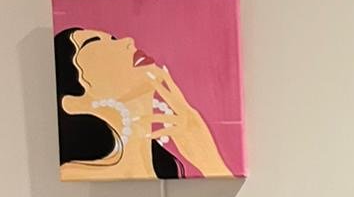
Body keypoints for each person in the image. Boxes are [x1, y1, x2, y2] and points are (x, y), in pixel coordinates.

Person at [55, 25, 232, 179]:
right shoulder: (74, 174)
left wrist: (208, 160)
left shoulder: (170, 170)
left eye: (113, 38)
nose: (128, 41)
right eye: (92, 42)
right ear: (73, 103)